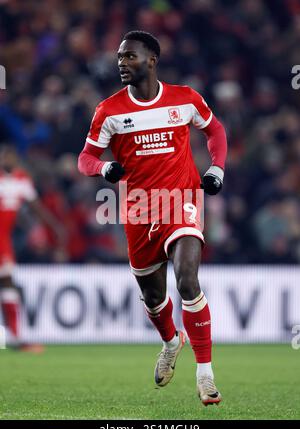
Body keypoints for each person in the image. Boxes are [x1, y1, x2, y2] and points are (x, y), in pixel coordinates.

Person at [78, 31, 227, 405]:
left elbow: (216, 131)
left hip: (182, 201)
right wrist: (104, 168)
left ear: (152, 60)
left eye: (129, 57)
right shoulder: (109, 110)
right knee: (153, 296)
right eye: (119, 57)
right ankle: (170, 341)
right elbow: (85, 158)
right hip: (139, 210)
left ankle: (205, 375)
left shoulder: (185, 98)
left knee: (187, 280)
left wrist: (217, 169)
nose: (121, 63)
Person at [0, 144, 65, 352]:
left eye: (9, 157)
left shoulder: (21, 180)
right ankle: (16, 338)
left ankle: (16, 337)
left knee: (8, 283)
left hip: (4, 240)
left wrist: (54, 227)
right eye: (4, 157)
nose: (6, 160)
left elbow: (36, 207)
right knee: (7, 283)